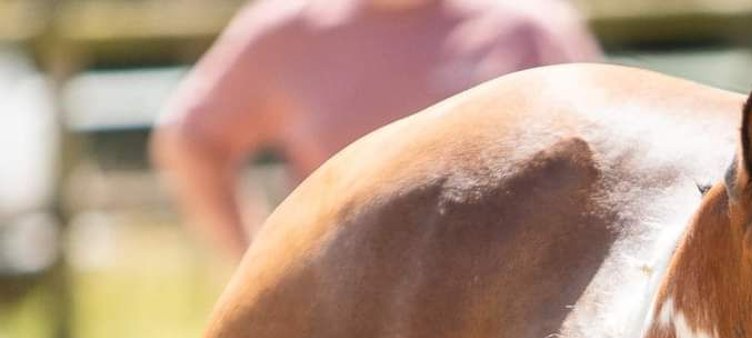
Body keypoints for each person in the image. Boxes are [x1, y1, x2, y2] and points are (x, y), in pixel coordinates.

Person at [152, 0, 600, 260]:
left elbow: (605, 150)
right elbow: (191, 139)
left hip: (509, 304)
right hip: (341, 315)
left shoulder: (527, 27)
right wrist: (253, 271)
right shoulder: (287, 32)